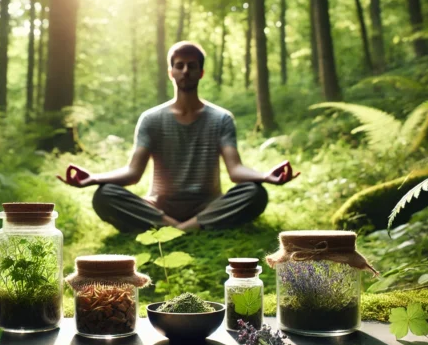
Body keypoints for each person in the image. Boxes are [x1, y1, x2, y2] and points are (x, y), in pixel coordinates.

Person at [58, 41, 299, 232]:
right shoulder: (151, 119)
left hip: (208, 205)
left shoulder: (221, 118)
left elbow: (235, 170)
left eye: (191, 66)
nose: (185, 71)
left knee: (255, 193)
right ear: (170, 72)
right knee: (104, 196)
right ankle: (180, 227)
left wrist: (266, 176)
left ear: (201, 72)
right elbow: (133, 173)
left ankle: (179, 228)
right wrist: (93, 178)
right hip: (160, 206)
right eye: (180, 65)